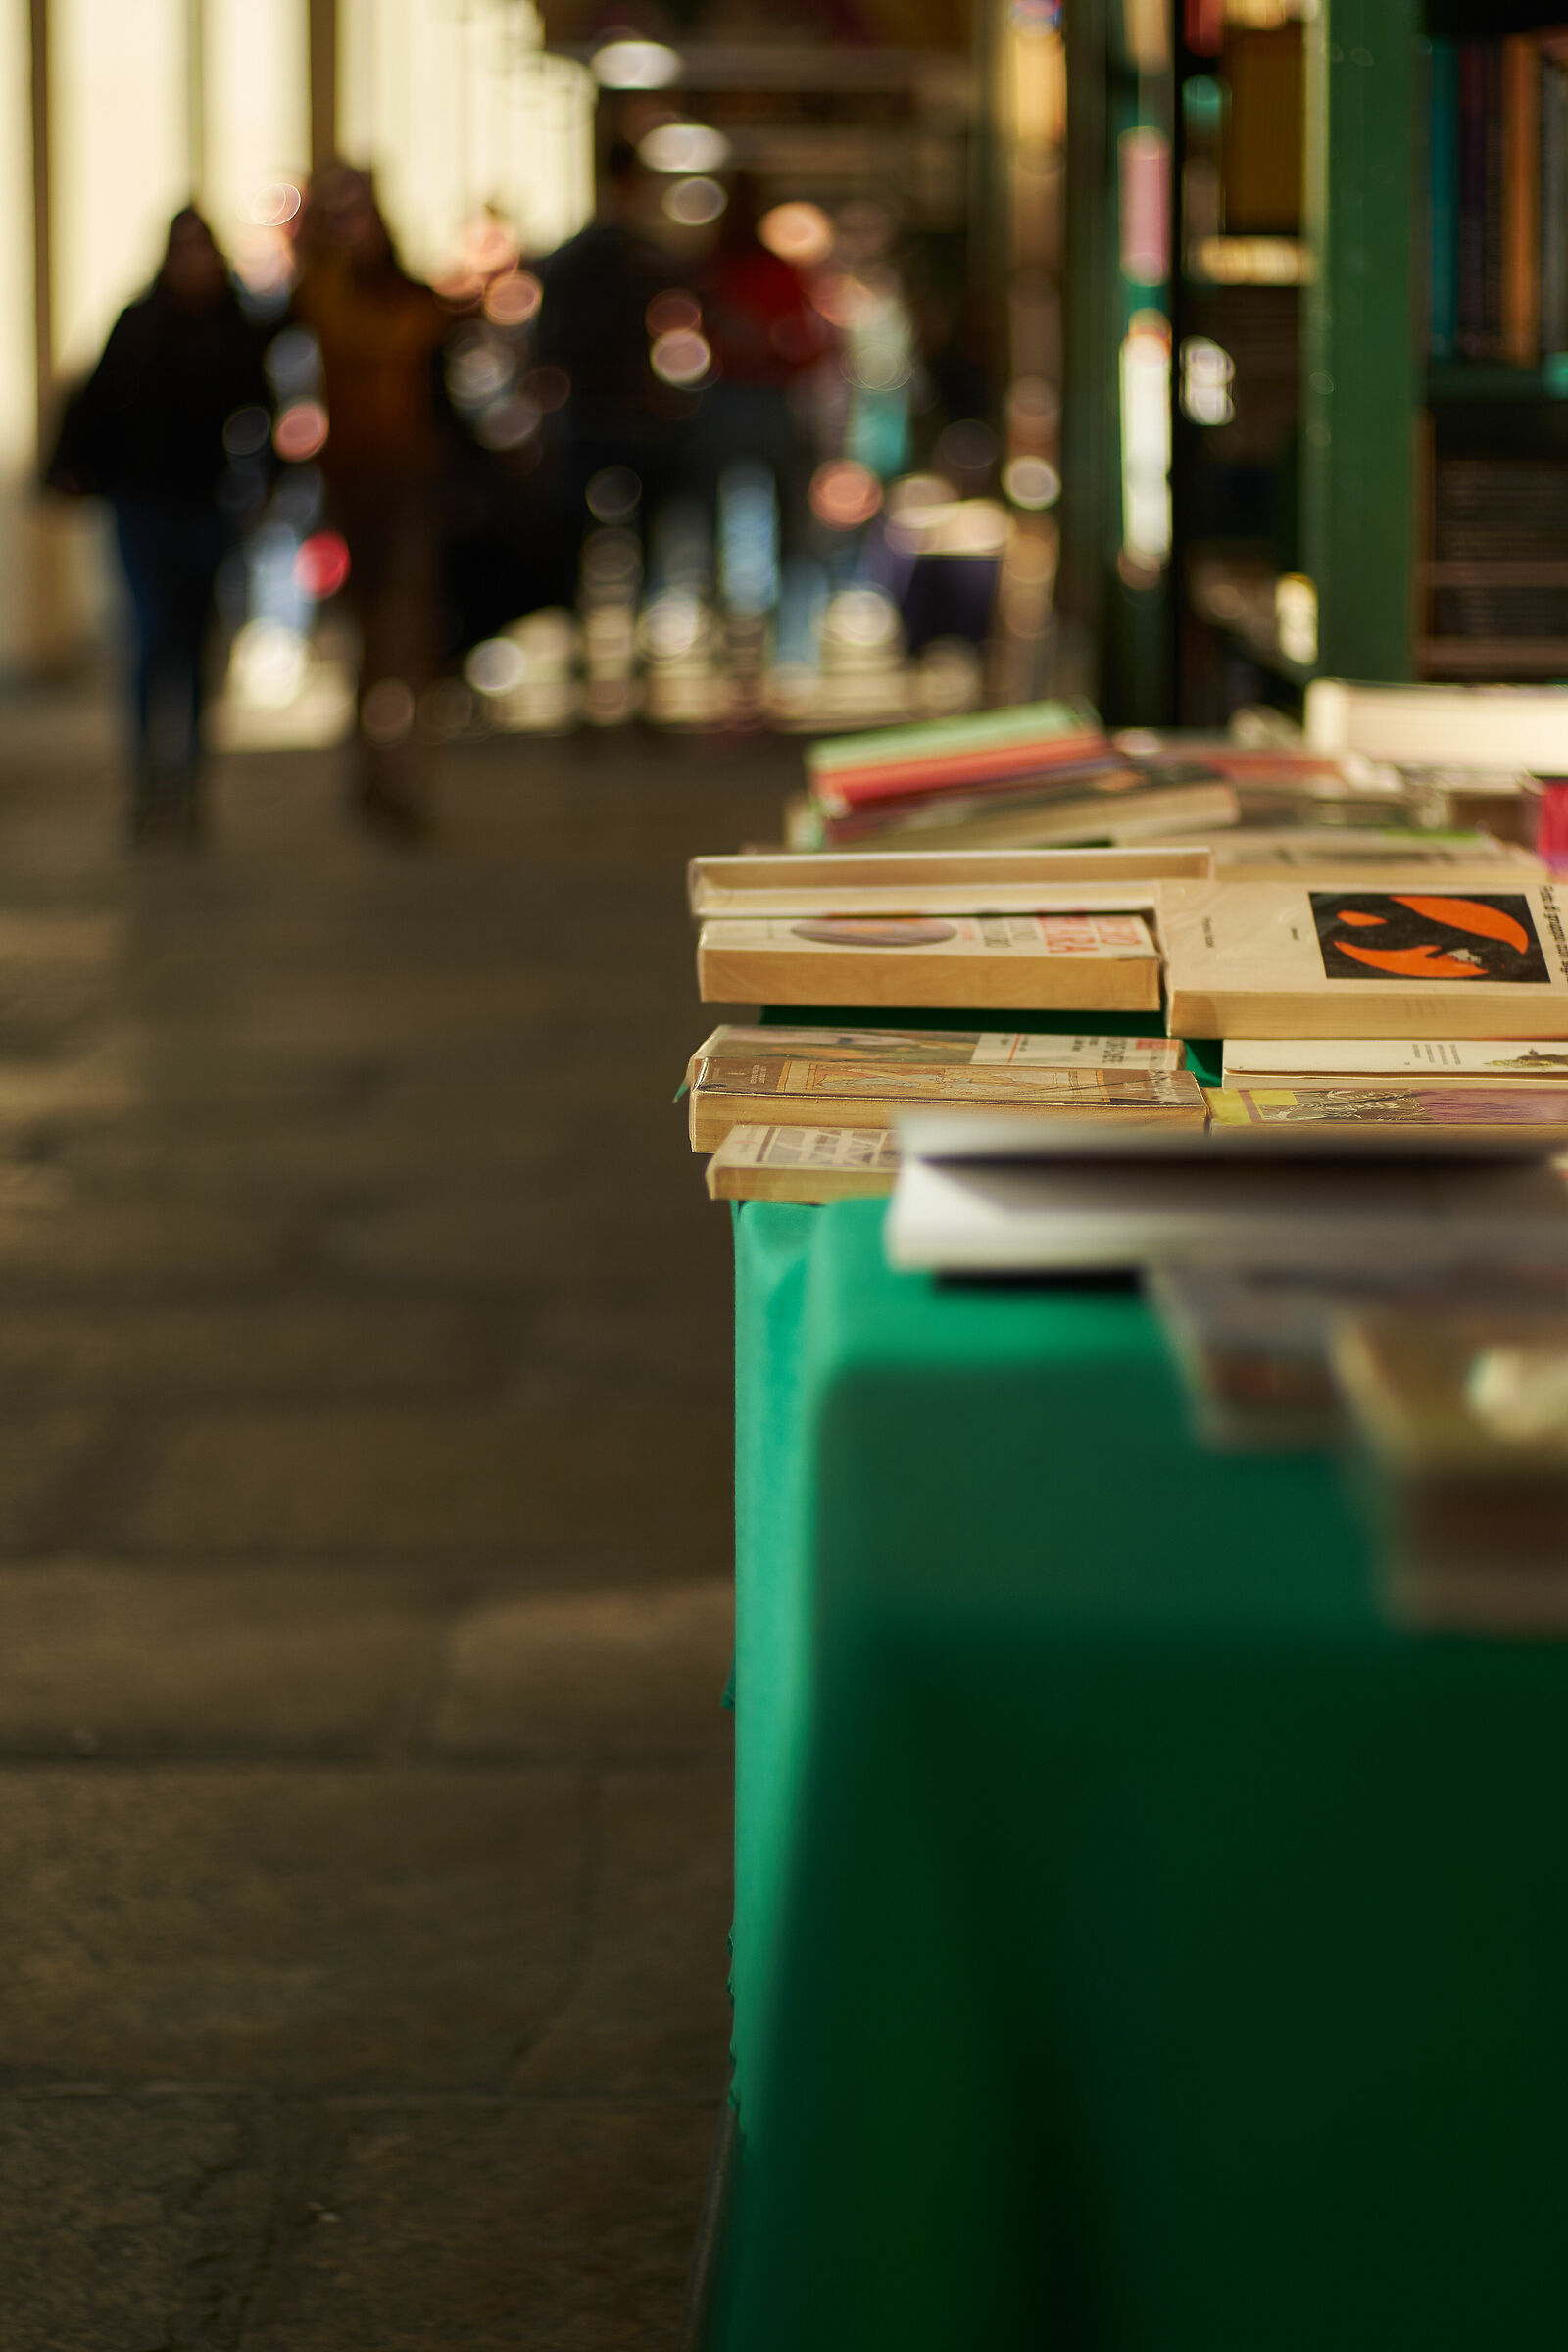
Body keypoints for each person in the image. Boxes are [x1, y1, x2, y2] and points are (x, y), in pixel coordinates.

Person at [47, 209, 269, 843]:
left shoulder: (233, 329)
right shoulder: (140, 325)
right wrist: (72, 472)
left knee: (195, 644)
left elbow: (260, 412)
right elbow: (93, 402)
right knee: (150, 639)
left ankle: (190, 781)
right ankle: (149, 779)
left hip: (205, 506)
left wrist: (262, 484)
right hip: (143, 505)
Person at [292, 166, 450, 838]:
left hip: (411, 487)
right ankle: (371, 769)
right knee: (362, 641)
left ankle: (407, 773)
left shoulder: (415, 303)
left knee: (409, 638)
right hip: (351, 490)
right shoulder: (317, 300)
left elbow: (441, 396)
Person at [534, 143, 684, 556]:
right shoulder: (644, 260)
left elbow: (546, 348)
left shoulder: (576, 259)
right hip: (614, 410)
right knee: (620, 535)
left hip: (605, 410)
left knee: (582, 535)